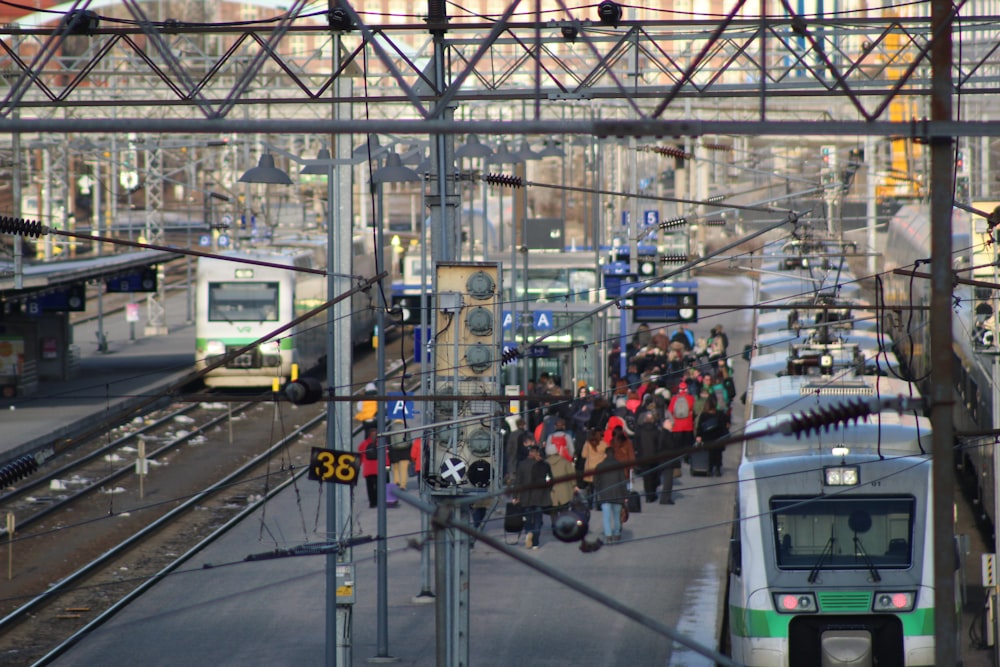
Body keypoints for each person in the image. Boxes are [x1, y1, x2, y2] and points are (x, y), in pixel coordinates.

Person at [512, 445, 552, 549]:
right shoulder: (544, 465)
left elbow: (518, 481)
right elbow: (550, 480)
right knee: (538, 519)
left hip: (526, 496)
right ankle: (535, 542)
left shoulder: (522, 464)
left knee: (528, 517)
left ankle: (529, 532)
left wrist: (515, 496)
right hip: (540, 496)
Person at [592, 444, 627, 543]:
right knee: (616, 515)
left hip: (605, 494)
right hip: (618, 494)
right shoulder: (619, 465)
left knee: (606, 516)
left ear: (605, 454)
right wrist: (625, 495)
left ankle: (608, 535)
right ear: (614, 454)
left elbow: (595, 481)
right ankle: (617, 533)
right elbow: (623, 481)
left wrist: (599, 490)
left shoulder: (600, 466)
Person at [667, 382, 695, 501]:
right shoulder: (690, 398)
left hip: (677, 426)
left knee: (677, 445)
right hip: (688, 425)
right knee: (687, 444)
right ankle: (688, 458)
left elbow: (670, 410)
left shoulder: (674, 399)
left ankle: (678, 459)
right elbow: (693, 409)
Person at [696, 395, 731, 477]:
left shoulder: (704, 415)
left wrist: (698, 436)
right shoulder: (720, 414)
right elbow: (727, 423)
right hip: (719, 437)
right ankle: (718, 469)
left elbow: (700, 427)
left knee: (709, 453)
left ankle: (709, 469)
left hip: (707, 437)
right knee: (718, 454)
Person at [633, 408, 662, 503]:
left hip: (643, 456)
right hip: (654, 456)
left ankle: (648, 494)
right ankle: (652, 494)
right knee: (654, 475)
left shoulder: (640, 430)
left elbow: (636, 443)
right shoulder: (656, 430)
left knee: (646, 477)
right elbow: (659, 444)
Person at [358, 426, 382, 508]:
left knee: (370, 487)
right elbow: (385, 455)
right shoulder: (380, 443)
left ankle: (372, 503)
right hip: (378, 468)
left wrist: (358, 465)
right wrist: (387, 466)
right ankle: (379, 501)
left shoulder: (364, 444)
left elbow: (360, 455)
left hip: (368, 469)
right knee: (379, 486)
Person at [386, 419, 411, 492]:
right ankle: (403, 485)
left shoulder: (390, 429)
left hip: (394, 452)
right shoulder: (407, 427)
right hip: (405, 452)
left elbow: (388, 441)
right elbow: (409, 440)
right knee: (404, 469)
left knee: (395, 468)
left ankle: (396, 482)